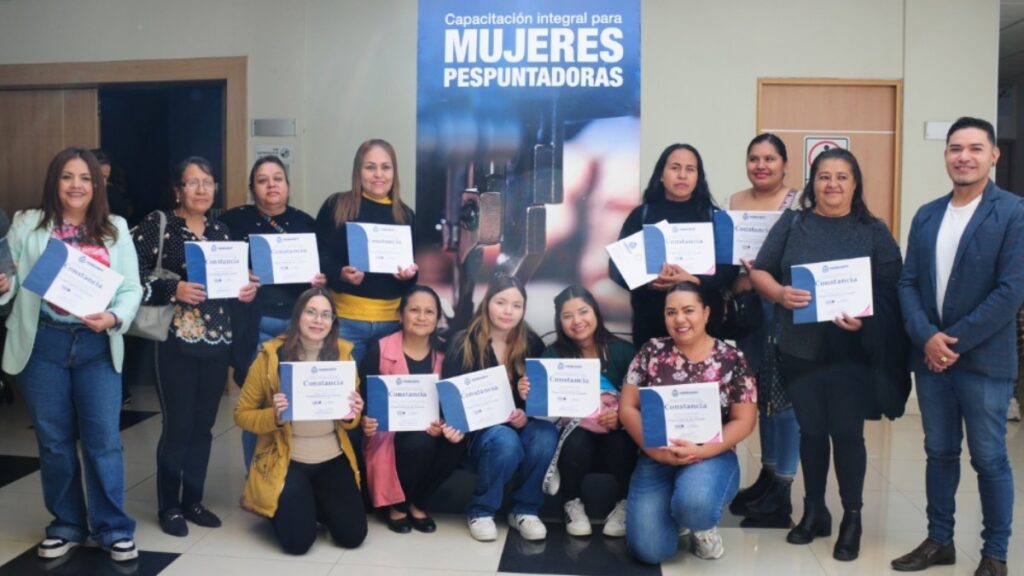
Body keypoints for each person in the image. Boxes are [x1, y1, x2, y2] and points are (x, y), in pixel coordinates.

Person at [749, 147, 905, 561]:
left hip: (851, 352)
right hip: (798, 348)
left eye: (841, 177)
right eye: (823, 176)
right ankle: (814, 510)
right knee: (812, 431)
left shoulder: (873, 230)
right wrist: (779, 293)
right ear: (812, 183)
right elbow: (760, 269)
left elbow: (893, 288)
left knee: (847, 434)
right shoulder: (792, 223)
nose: (832, 184)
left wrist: (866, 320)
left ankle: (852, 517)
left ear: (855, 185)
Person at [892, 117, 1024, 576]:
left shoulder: (1014, 212)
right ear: (946, 154)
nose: (963, 157)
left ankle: (995, 554)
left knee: (989, 458)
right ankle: (940, 540)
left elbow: (1011, 291)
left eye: (974, 148)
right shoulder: (927, 214)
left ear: (994, 155)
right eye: (955, 148)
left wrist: (951, 342)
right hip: (932, 361)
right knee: (940, 452)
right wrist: (926, 337)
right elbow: (907, 283)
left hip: (984, 361)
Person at [0, 147, 142, 561]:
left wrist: (114, 316)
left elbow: (131, 287)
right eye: (67, 176)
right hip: (42, 344)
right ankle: (66, 524)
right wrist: (3, 284)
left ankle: (113, 528)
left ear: (97, 185)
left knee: (103, 441)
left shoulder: (115, 228)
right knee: (54, 442)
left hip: (96, 346)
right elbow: (10, 277)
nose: (76, 185)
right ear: (54, 182)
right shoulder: (28, 223)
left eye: (85, 177)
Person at [134, 156, 258, 537]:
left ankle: (194, 500)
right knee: (179, 425)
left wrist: (246, 290)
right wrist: (175, 288)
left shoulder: (222, 231)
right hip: (175, 341)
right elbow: (130, 279)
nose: (202, 189)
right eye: (193, 182)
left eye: (208, 182)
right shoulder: (159, 226)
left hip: (217, 341)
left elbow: (232, 286)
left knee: (204, 426)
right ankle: (169, 506)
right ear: (178, 190)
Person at [619, 282, 756, 563]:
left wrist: (702, 451)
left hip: (711, 455)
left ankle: (700, 525)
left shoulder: (732, 358)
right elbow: (628, 407)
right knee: (650, 550)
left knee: (695, 505)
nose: (679, 319)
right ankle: (677, 509)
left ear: (706, 313)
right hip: (657, 455)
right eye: (671, 312)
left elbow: (744, 420)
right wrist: (655, 452)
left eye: (688, 310)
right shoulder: (651, 351)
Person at [234, 287, 367, 554]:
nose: (318, 321)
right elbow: (241, 414)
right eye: (311, 312)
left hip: (331, 456)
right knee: (298, 544)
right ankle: (279, 505)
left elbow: (350, 420)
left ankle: (310, 501)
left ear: (333, 322)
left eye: (326, 315)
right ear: (298, 316)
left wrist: (353, 414)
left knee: (353, 536)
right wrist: (274, 416)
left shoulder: (343, 355)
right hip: (288, 459)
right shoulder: (270, 356)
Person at [219, 155, 326, 470]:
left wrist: (322, 279)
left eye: (277, 178)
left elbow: (324, 268)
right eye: (263, 180)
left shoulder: (306, 223)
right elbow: (220, 265)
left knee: (294, 402)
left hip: (297, 327)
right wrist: (238, 274)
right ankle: (255, 479)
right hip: (256, 323)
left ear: (288, 185)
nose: (271, 185)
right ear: (252, 187)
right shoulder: (233, 221)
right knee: (258, 405)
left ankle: (288, 476)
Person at [440, 275, 557, 542]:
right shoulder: (463, 342)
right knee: (505, 439)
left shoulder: (532, 343)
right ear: (487, 303)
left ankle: (525, 510)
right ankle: (481, 510)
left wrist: (525, 410)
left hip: (519, 429)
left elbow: (540, 403)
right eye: (501, 302)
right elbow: (451, 400)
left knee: (545, 433)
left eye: (516, 305)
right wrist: (454, 424)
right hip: (479, 436)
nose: (508, 311)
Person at [518, 285, 636, 538]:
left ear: (595, 312)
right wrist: (528, 391)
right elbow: (541, 410)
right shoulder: (552, 354)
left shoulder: (623, 351)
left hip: (615, 431)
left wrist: (621, 419)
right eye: (567, 316)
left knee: (620, 443)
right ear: (559, 321)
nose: (577, 321)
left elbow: (640, 401)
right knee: (576, 441)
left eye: (583, 312)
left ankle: (625, 504)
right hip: (574, 432)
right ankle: (572, 503)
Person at [727, 134, 801, 521]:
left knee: (785, 400)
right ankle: (768, 476)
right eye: (754, 158)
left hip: (784, 311)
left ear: (784, 164)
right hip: (750, 312)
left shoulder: (800, 203)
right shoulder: (735, 202)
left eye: (770, 159)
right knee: (760, 397)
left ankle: (783, 488)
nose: (761, 165)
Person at [359, 285, 465, 533]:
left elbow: (449, 404)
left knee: (457, 441)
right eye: (414, 310)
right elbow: (363, 399)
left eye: (429, 312)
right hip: (387, 435)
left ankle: (418, 503)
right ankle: (398, 507)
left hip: (429, 430)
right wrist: (365, 420)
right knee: (420, 440)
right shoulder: (380, 349)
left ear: (437, 318)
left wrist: (442, 423)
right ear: (400, 314)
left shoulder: (445, 353)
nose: (422, 317)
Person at [609, 143, 738, 346]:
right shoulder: (642, 215)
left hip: (705, 329)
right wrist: (649, 282)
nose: (682, 175)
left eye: (690, 169)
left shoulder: (715, 217)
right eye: (675, 168)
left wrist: (695, 280)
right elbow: (616, 268)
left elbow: (729, 270)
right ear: (661, 174)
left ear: (698, 176)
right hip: (651, 326)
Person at [315, 139, 418, 364]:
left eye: (385, 167)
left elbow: (413, 272)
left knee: (380, 387)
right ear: (358, 172)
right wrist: (340, 273)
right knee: (343, 385)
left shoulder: (406, 215)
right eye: (370, 167)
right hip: (344, 320)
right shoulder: (337, 205)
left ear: (394, 172)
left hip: (391, 323)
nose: (378, 174)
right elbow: (319, 255)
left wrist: (408, 276)